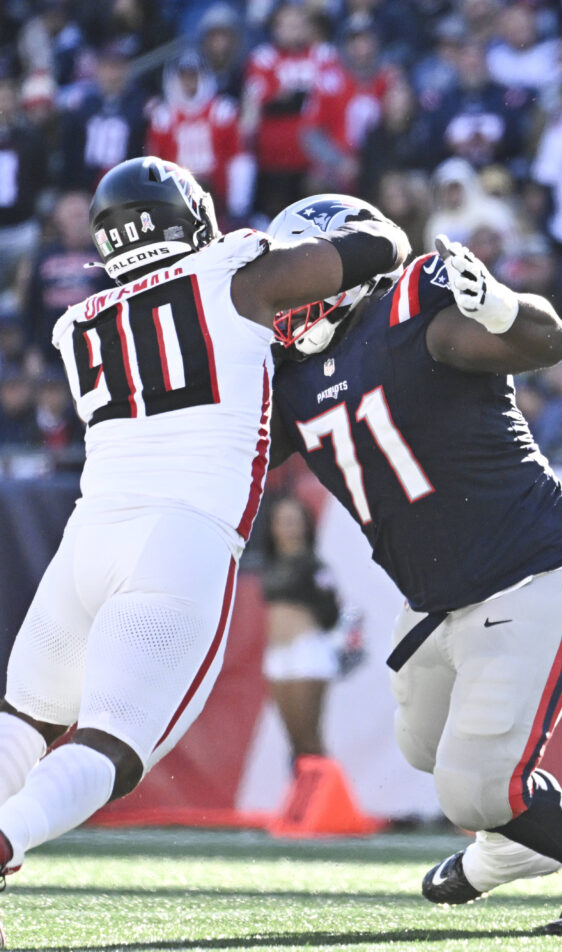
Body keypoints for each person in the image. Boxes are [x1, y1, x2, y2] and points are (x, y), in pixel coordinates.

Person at [0, 157, 408, 884]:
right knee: (117, 742)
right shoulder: (235, 272)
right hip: (180, 539)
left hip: (87, 539)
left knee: (24, 718)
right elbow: (384, 249)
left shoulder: (75, 326)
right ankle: (9, 834)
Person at [266, 196, 562, 936]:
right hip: (436, 597)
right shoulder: (292, 374)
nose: (286, 293)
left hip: (533, 572)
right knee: (424, 748)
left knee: (474, 788)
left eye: (302, 272)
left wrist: (503, 307)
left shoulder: (413, 313)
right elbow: (233, 460)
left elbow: (547, 343)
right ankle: (506, 850)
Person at [257, 493, 351, 766]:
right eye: (281, 521)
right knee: (294, 741)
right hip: (278, 656)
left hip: (306, 652)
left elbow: (331, 611)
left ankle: (324, 801)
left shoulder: (314, 565)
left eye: (293, 521)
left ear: (305, 525)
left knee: (310, 738)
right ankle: (301, 800)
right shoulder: (271, 564)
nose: (287, 527)